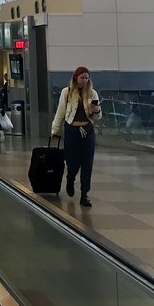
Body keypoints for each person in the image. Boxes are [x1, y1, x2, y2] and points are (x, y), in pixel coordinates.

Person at [50, 66, 102, 207]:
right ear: (76, 78)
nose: (85, 80)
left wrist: (96, 110)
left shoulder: (92, 93)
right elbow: (60, 112)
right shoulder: (66, 92)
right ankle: (70, 178)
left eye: (87, 78)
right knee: (73, 162)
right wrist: (55, 129)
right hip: (72, 130)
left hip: (87, 130)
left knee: (87, 163)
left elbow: (98, 117)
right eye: (82, 77)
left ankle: (84, 194)